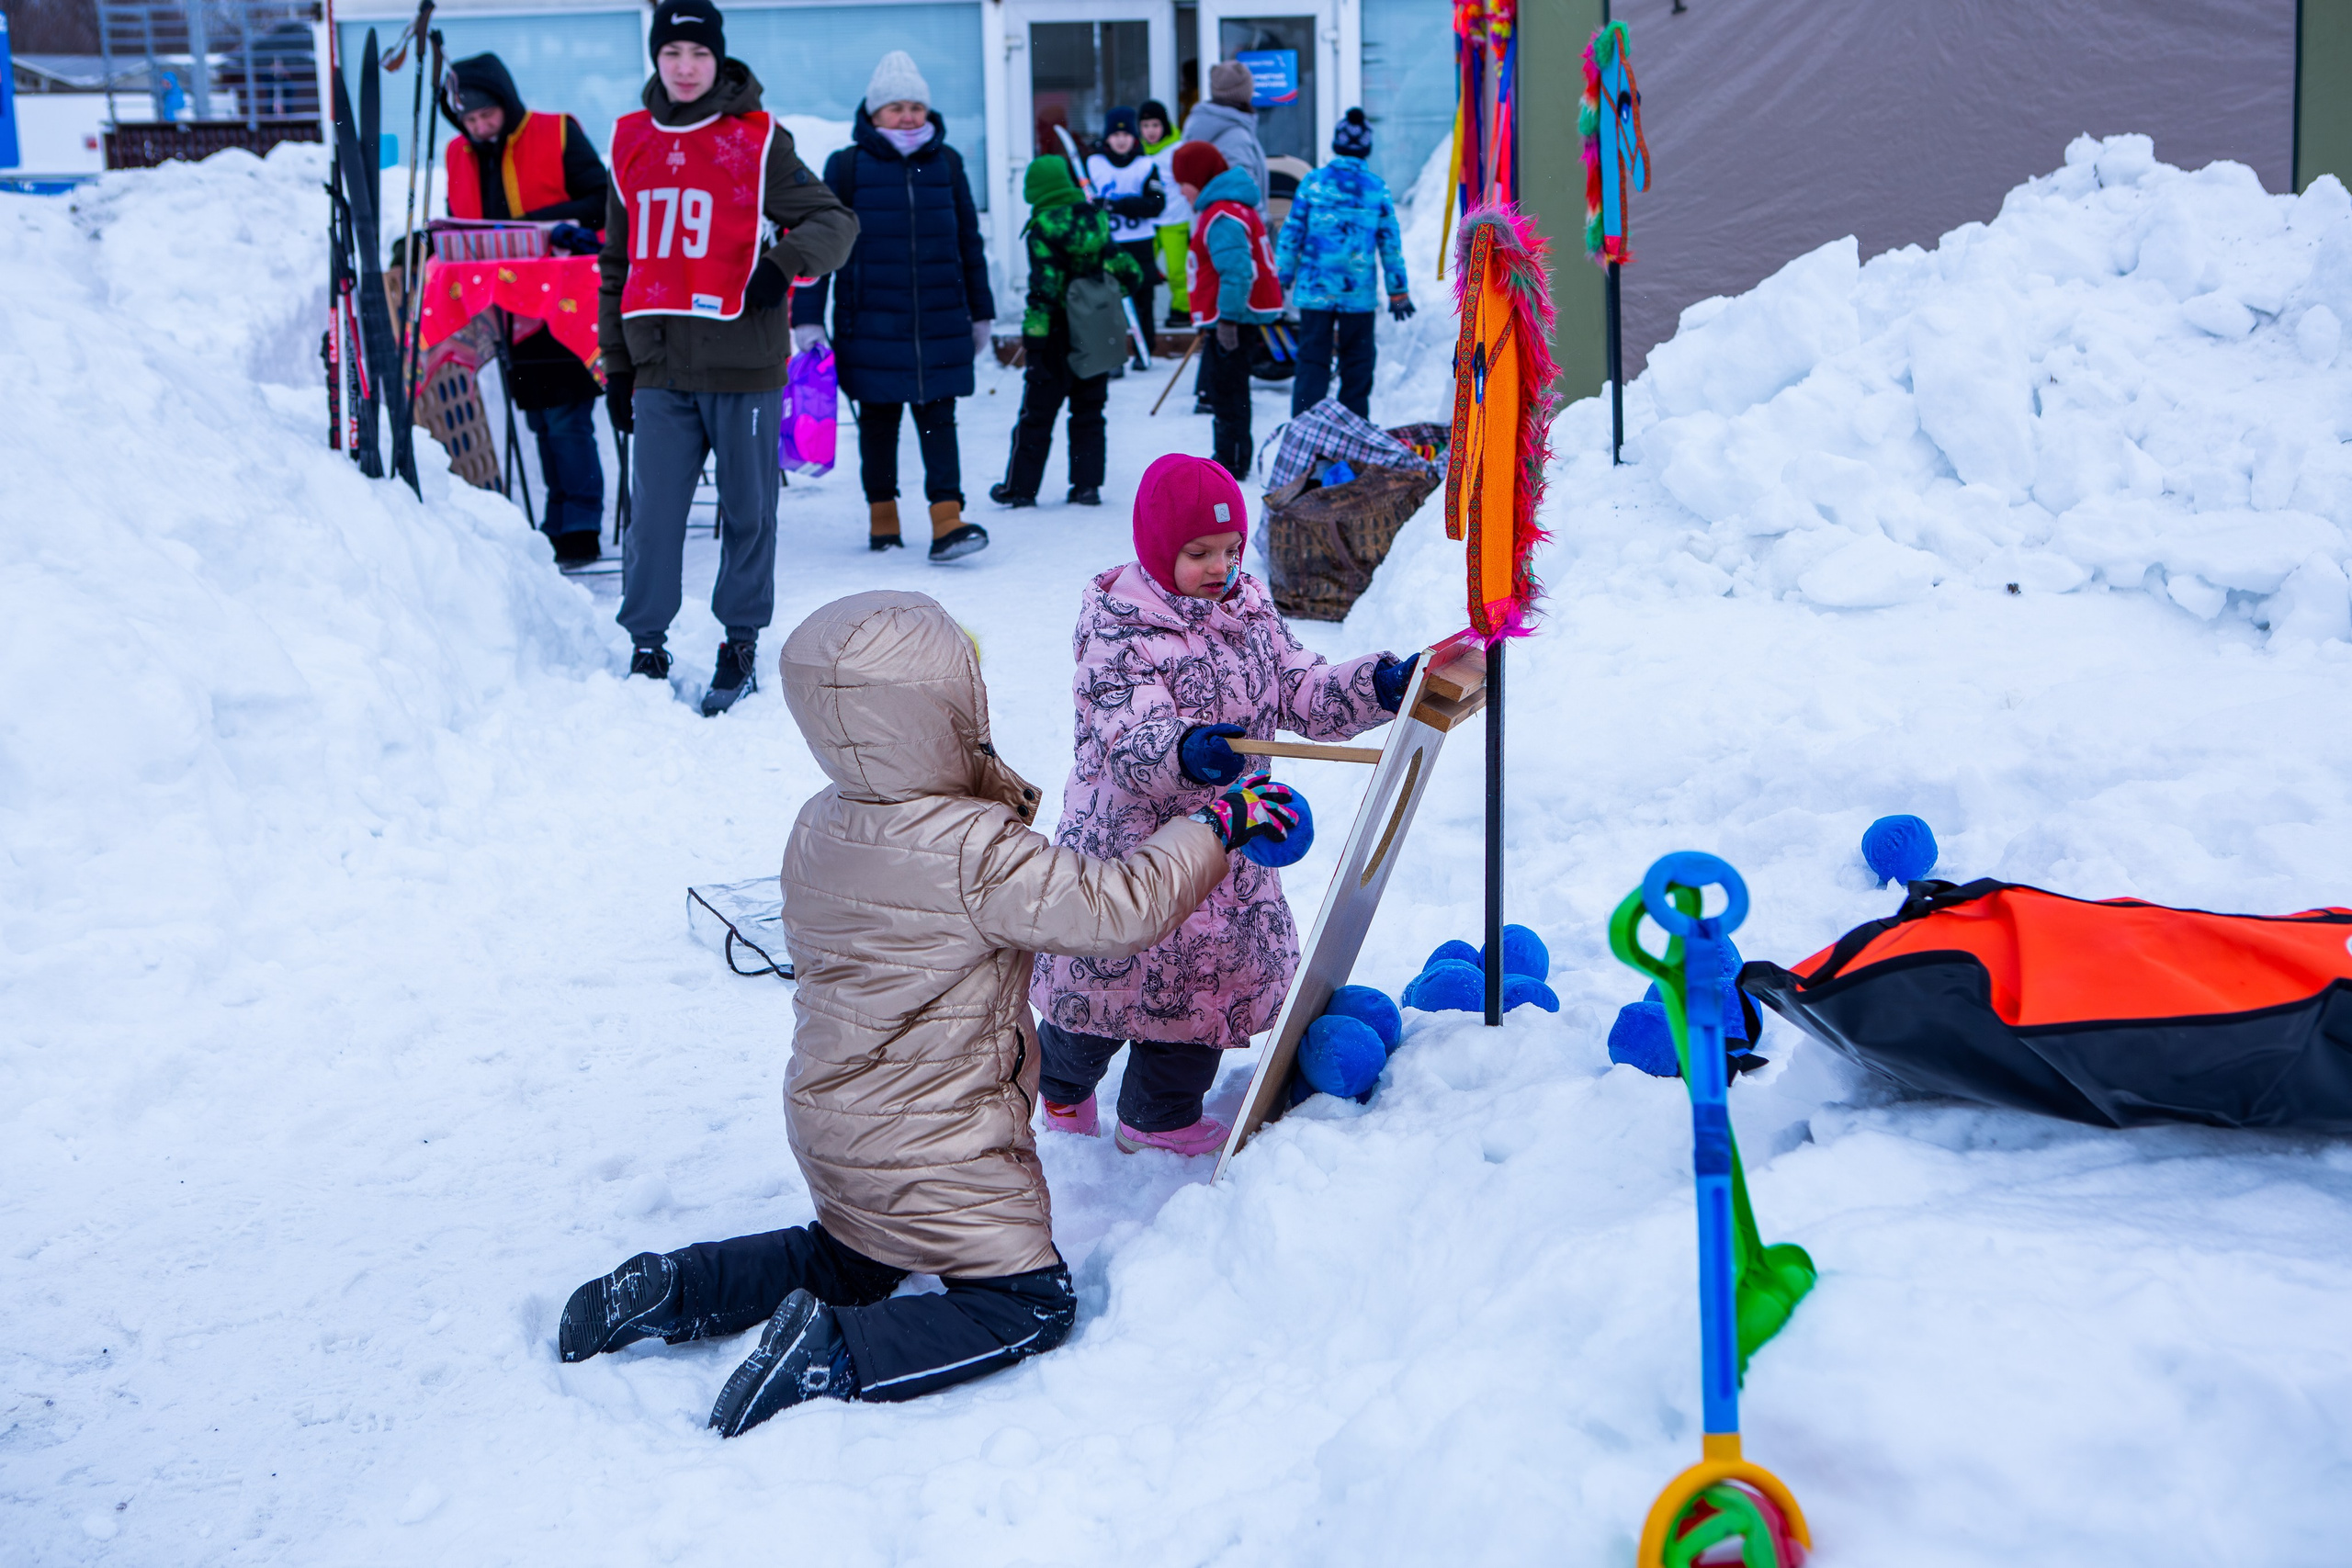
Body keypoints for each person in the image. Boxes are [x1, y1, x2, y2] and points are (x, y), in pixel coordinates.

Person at [558, 589, 1302, 1435]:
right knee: (1027, 1304)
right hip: (940, 1146)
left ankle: (673, 1287)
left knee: (845, 1255)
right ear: (946, 711)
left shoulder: (817, 824)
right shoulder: (972, 848)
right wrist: (1222, 821)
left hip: (831, 1128)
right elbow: (1113, 906)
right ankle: (832, 1352)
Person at [1032, 456, 1417, 1155]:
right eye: (1199, 552)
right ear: (1156, 549)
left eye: (1232, 550)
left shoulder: (1249, 609)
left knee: (1205, 986)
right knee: (1105, 988)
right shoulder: (1121, 628)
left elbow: (1304, 689)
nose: (1221, 566)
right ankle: (1059, 1085)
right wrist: (1184, 751)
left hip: (1232, 848)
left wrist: (1382, 685)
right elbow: (1127, 733)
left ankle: (1159, 1114)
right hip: (1136, 852)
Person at [599, 0, 857, 715]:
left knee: (748, 511)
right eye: (672, 53)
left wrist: (784, 264)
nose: (685, 68)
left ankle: (739, 641)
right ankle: (646, 646)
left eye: (698, 54)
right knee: (652, 516)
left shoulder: (756, 138)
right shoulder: (630, 140)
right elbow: (616, 260)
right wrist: (616, 362)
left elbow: (835, 220)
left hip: (744, 363)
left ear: (718, 60)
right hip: (657, 366)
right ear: (656, 59)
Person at [793, 51, 994, 564]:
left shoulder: (946, 163)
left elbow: (969, 240)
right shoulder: (847, 165)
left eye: (916, 107)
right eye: (896, 107)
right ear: (874, 113)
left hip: (940, 316)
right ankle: (883, 518)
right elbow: (818, 243)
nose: (908, 117)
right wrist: (809, 316)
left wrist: (980, 311)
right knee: (879, 423)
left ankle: (947, 519)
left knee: (938, 418)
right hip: (871, 319)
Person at [440, 52, 613, 564]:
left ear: (505, 103)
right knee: (539, 418)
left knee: (567, 418)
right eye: (468, 121)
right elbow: (460, 220)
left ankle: (581, 523)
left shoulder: (557, 133)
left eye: (486, 116)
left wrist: (541, 226)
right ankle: (556, 518)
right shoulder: (459, 153)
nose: (479, 128)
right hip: (504, 310)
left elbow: (602, 199)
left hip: (562, 299)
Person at [988, 155, 1141, 510]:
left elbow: (1043, 291)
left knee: (1037, 414)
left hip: (1056, 332)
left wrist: (1035, 345)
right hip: (1096, 329)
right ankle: (1087, 487)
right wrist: (1098, 295)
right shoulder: (1095, 219)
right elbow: (1129, 272)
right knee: (1089, 410)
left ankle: (1020, 489)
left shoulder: (1042, 228)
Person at [1274, 107, 1413, 420]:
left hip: (1315, 293)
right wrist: (1398, 291)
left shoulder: (1313, 182)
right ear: (1367, 149)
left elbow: (1291, 233)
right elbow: (1390, 244)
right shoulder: (1376, 188)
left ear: (1336, 146)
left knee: (1312, 362)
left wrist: (1281, 274)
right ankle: (1354, 434)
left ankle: (1306, 434)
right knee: (1357, 366)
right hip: (1357, 296)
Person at [1173, 142, 1282, 480]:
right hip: (1232, 316)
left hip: (1233, 319)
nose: (1180, 190)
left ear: (1199, 177)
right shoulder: (1234, 207)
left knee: (1228, 393)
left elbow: (1236, 271)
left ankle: (1230, 460)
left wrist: (1229, 320)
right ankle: (1231, 455)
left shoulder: (1221, 215)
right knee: (1230, 390)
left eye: (1183, 182)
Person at [1084, 106, 1165, 370]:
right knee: (1108, 300)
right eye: (1115, 135)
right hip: (1108, 243)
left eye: (1127, 135)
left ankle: (1144, 349)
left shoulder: (1146, 165)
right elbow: (1084, 203)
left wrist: (1117, 205)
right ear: (1107, 137)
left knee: (1143, 298)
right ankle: (1113, 354)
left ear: (1134, 137)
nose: (1121, 140)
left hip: (1140, 243)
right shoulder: (1093, 164)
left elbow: (1155, 204)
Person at [1138, 100, 1192, 329]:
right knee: (1141, 268)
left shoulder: (1178, 149)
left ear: (1165, 126)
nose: (1151, 131)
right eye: (1146, 125)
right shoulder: (1135, 150)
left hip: (1174, 219)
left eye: (1156, 125)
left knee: (1178, 270)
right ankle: (1141, 313)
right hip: (1146, 222)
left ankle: (1182, 310)